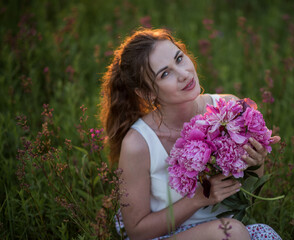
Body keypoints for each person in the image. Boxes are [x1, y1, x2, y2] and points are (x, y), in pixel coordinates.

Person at [100, 28, 282, 240]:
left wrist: (256, 162)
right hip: (169, 235)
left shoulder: (229, 110)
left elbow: (247, 198)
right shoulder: (139, 143)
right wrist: (198, 199)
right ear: (148, 93)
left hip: (226, 230)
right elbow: (137, 231)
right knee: (231, 232)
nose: (184, 74)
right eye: (165, 73)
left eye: (179, 58)